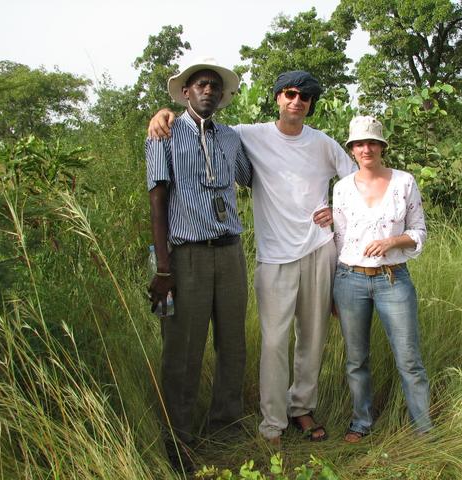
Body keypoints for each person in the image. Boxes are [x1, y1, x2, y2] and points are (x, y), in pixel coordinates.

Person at [149, 71, 356, 444]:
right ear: (277, 97)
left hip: (298, 248)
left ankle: (292, 412)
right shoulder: (241, 133)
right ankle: (263, 424)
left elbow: (355, 180)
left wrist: (337, 213)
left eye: (305, 97)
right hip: (256, 255)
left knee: (298, 339)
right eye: (290, 93)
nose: (297, 101)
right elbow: (162, 188)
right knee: (266, 343)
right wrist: (162, 112)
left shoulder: (310, 142)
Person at [146, 57, 252, 471]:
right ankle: (179, 441)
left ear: (222, 96)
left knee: (233, 344)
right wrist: (162, 267)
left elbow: (251, 177)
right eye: (200, 85)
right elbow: (157, 200)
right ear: (186, 92)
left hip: (230, 252)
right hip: (185, 255)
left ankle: (226, 426)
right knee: (182, 350)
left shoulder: (230, 138)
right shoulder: (163, 134)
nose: (208, 90)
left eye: (215, 86)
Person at [332, 116, 432, 443]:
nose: (366, 149)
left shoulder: (404, 182)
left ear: (382, 146)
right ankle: (361, 422)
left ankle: (423, 427)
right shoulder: (342, 187)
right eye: (359, 143)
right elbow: (339, 239)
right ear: (351, 149)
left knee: (409, 358)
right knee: (356, 359)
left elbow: (419, 231)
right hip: (350, 280)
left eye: (372, 142)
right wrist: (334, 289)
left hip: (393, 279)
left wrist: (392, 241)